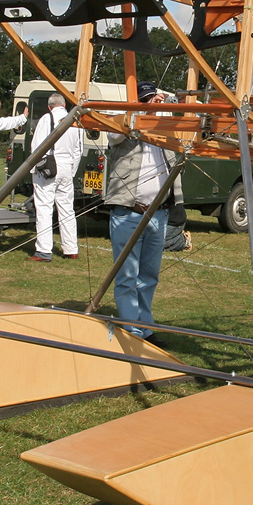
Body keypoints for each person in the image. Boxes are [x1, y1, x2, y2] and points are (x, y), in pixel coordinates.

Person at [104, 81, 182, 341]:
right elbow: (114, 133)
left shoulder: (165, 129)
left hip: (158, 213)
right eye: (147, 99)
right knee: (127, 275)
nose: (154, 104)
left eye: (155, 99)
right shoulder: (123, 125)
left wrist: (166, 104)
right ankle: (131, 329)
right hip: (129, 212)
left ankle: (144, 329)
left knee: (149, 276)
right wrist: (141, 112)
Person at [29, 94, 84, 261]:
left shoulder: (47, 119)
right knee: (67, 209)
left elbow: (37, 146)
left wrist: (35, 168)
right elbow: (78, 150)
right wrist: (71, 171)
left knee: (44, 208)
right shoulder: (75, 121)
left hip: (49, 167)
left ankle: (44, 250)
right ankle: (71, 248)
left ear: (49, 106)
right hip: (67, 167)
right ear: (64, 104)